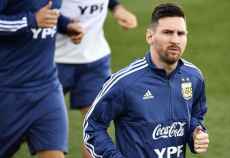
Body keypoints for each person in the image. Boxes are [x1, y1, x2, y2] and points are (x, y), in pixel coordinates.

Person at [83, 3, 209, 158]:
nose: (175, 40)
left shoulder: (194, 77)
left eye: (181, 33)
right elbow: (92, 126)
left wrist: (196, 133)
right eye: (168, 32)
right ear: (150, 36)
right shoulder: (125, 83)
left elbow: (196, 115)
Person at [0, 0, 83, 157]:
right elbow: (34, 16)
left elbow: (49, 14)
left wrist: (66, 26)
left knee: (54, 153)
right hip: (7, 91)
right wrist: (31, 20)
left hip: (47, 88)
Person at [54, 0, 137, 157]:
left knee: (95, 125)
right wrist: (66, 27)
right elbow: (38, 10)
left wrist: (117, 8)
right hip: (53, 61)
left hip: (95, 60)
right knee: (32, 126)